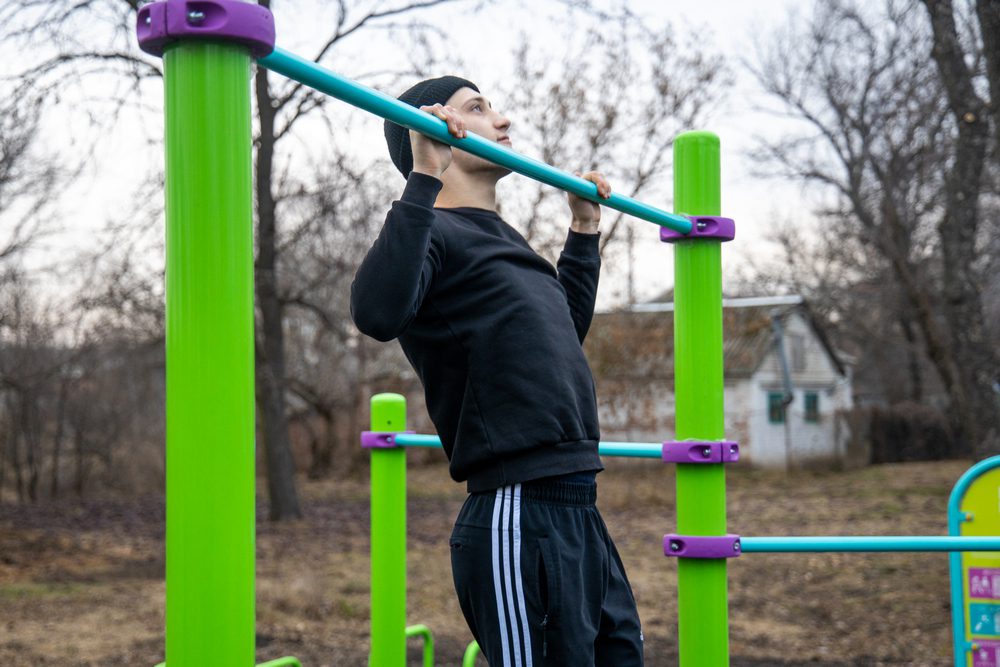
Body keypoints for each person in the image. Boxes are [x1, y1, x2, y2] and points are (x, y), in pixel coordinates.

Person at [351, 75, 643, 666]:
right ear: (438, 130)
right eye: (477, 109)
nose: (503, 120)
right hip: (517, 508)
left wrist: (583, 231)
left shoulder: (506, 241)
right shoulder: (431, 234)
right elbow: (376, 313)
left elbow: (562, 335)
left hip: (580, 504)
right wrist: (423, 177)